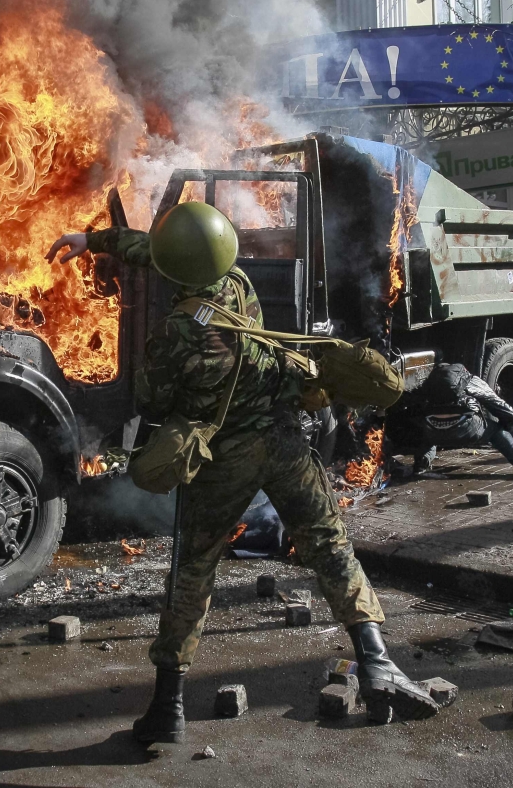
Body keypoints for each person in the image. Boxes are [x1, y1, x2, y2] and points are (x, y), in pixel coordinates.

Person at [47, 202, 439, 744]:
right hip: (282, 439)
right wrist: (96, 239)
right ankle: (376, 662)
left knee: (193, 572)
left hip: (224, 457)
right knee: (328, 546)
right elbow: (169, 256)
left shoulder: (175, 332)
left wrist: (96, 245)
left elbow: (150, 399)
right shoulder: (236, 282)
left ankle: (167, 710)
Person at [392, 362, 513, 476]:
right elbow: (502, 408)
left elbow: (407, 402)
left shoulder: (429, 385)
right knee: (497, 431)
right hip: (467, 429)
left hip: (433, 430)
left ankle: (420, 466)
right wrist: (506, 424)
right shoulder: (470, 380)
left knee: (428, 431)